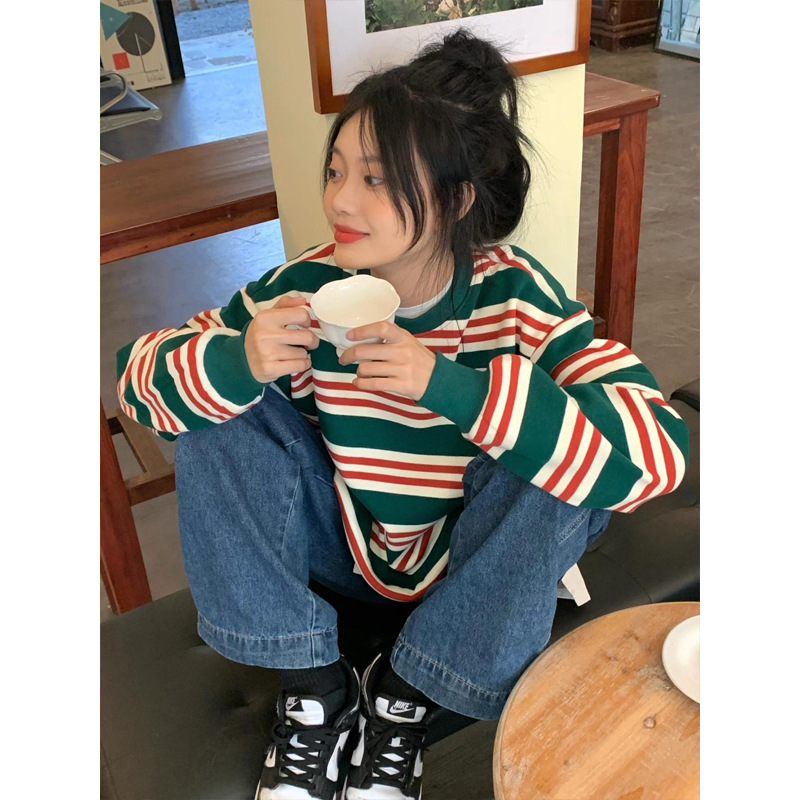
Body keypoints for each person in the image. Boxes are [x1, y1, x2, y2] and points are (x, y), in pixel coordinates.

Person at [116, 30, 689, 800]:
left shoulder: (516, 301)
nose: (340, 201)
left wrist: (457, 390)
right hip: (343, 550)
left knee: (555, 453)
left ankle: (404, 701)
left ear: (455, 199)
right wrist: (237, 361)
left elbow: (660, 450)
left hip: (473, 568)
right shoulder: (303, 287)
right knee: (212, 405)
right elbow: (136, 381)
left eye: (377, 180)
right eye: (336, 170)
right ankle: (316, 694)